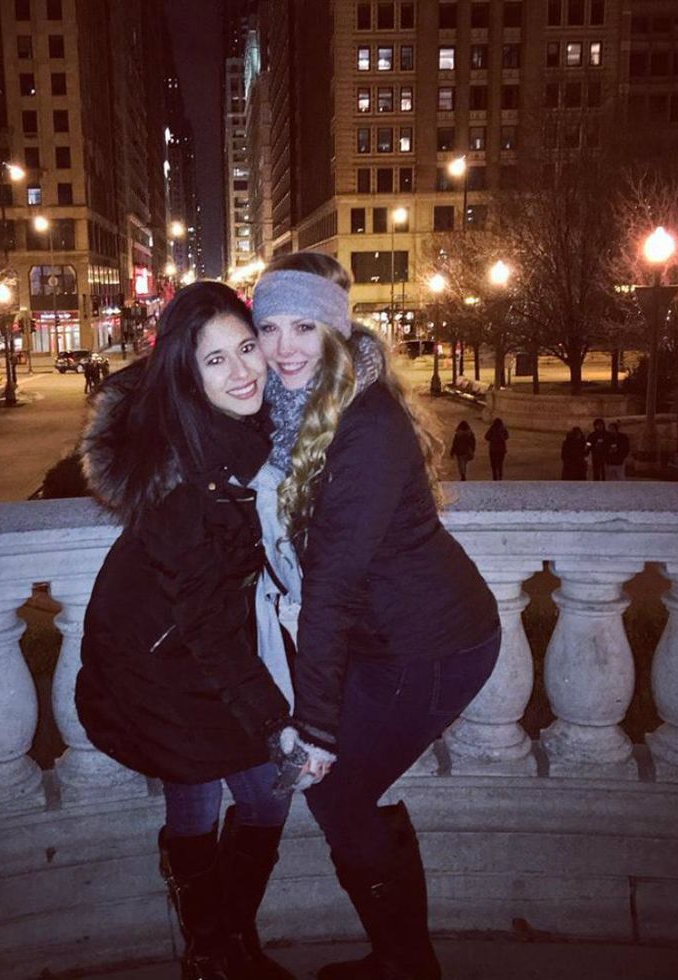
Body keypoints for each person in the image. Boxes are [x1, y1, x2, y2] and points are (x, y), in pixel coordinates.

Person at [253, 253, 500, 980]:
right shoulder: (294, 409)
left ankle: (404, 963)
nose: (284, 347)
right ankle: (404, 959)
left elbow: (333, 581)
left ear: (335, 330)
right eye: (268, 328)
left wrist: (316, 724)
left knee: (336, 789)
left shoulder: (365, 425)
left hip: (428, 644)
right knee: (349, 792)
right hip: (385, 635)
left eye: (304, 327)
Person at [75, 282, 298, 980]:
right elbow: (199, 614)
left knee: (265, 798)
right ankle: (211, 955)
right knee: (199, 796)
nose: (243, 371)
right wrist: (275, 719)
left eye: (246, 347)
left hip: (204, 640)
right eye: (215, 360)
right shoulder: (181, 470)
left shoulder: (248, 429)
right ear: (186, 374)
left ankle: (230, 941)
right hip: (157, 659)